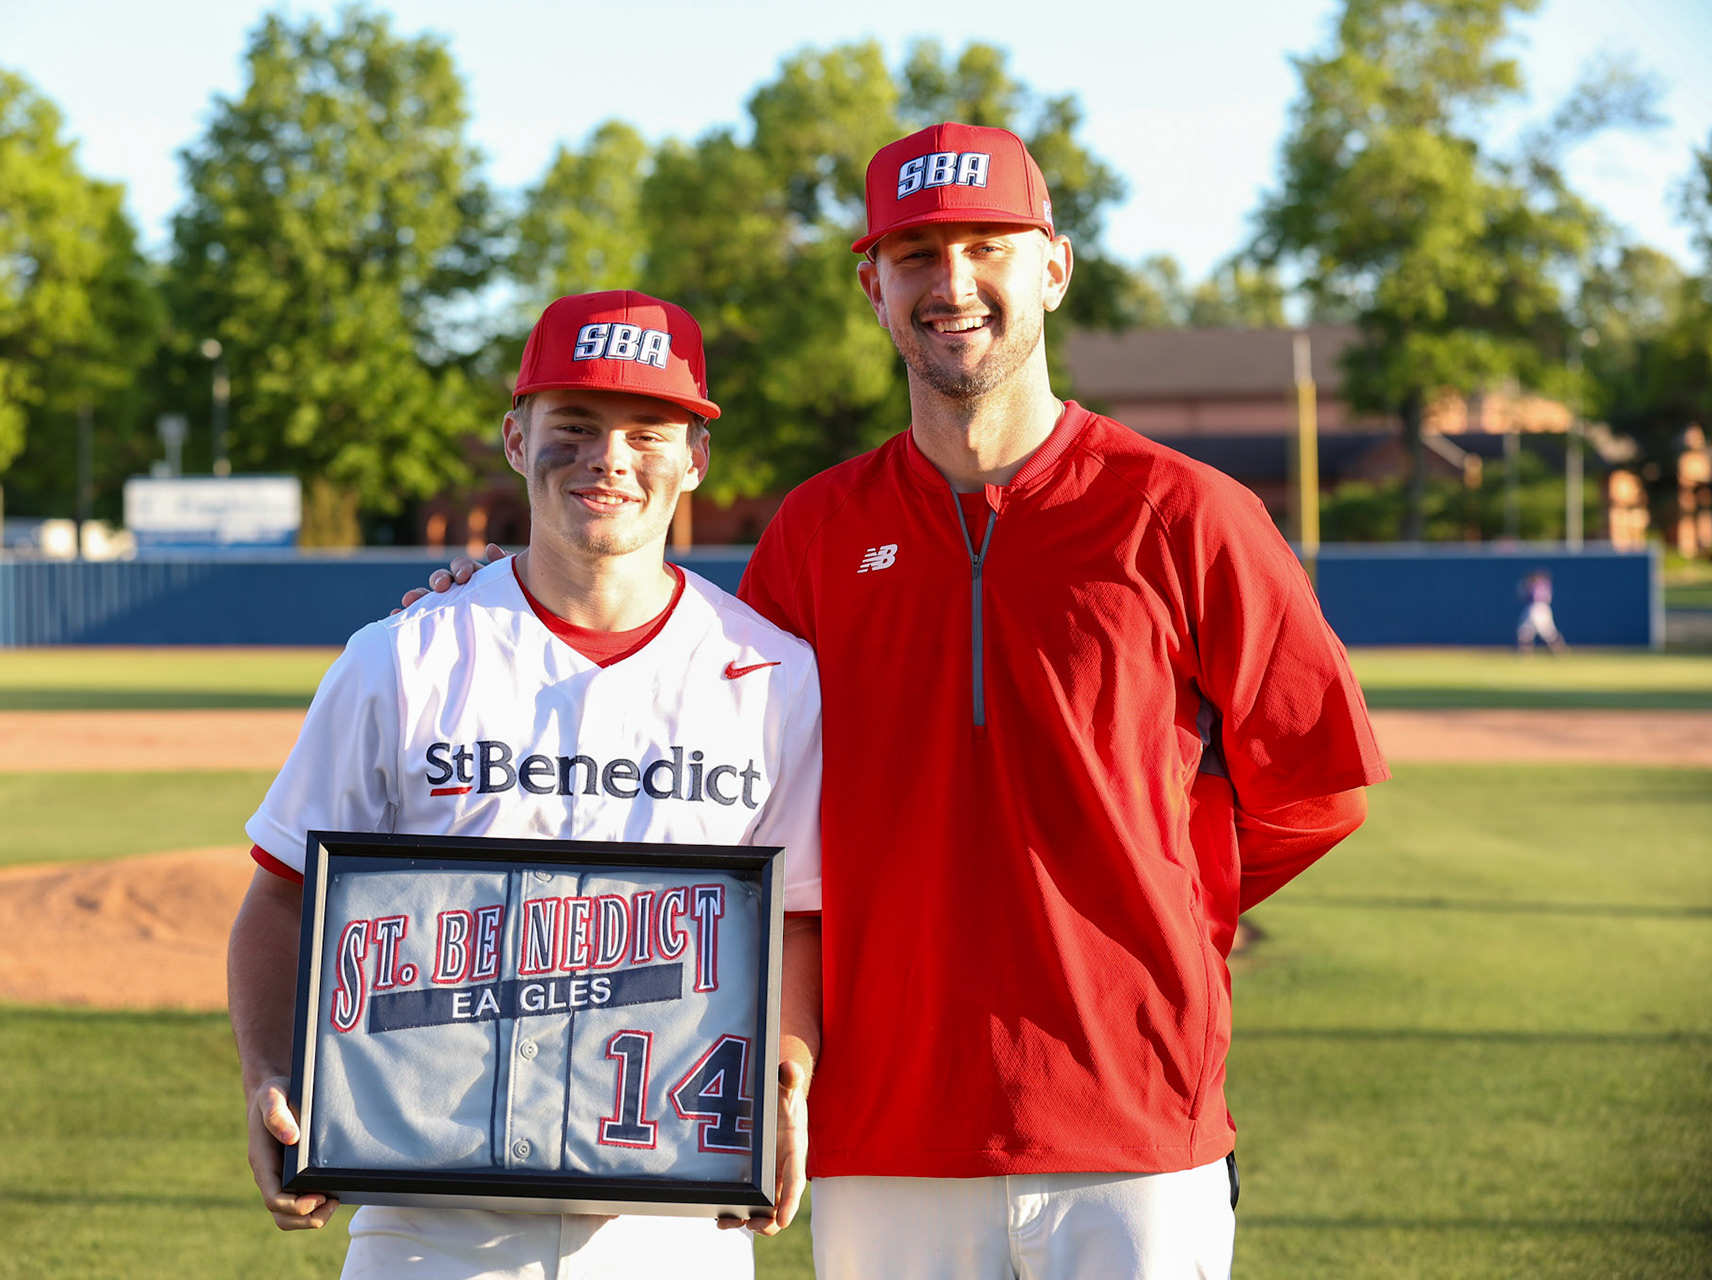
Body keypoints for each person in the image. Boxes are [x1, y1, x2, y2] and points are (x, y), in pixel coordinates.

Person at [417, 124, 1388, 1280]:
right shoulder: (816, 534)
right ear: (874, 286)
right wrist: (511, 596)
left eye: (987, 246)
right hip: (880, 1126)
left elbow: (1316, 785)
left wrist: (1159, 906)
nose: (953, 284)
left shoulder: (1188, 514)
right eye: (918, 254)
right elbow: (691, 733)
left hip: (1134, 1119)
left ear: (1055, 267)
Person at [228, 290, 824, 1280]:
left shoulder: (774, 674)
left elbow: (798, 917)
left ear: (695, 458)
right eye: (575, 426)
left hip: (671, 1220)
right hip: (425, 1214)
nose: (609, 457)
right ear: (515, 437)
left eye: (646, 430)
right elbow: (282, 894)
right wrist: (270, 1073)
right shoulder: (401, 657)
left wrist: (785, 1072)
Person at [1516, 568, 1567, 652]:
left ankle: (1560, 649)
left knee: (1548, 632)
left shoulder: (1539, 585)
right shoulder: (1539, 585)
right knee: (1525, 630)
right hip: (1534, 608)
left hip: (1539, 608)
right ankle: (1524, 652)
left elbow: (1530, 596)